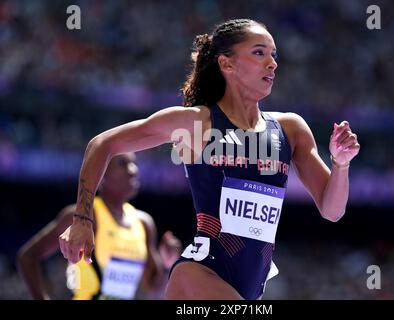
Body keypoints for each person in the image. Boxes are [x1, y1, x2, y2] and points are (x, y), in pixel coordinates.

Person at [58, 18, 360, 300]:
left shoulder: (290, 129)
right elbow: (102, 144)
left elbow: (332, 210)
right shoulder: (196, 123)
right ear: (226, 63)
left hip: (251, 287)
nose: (272, 63)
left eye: (274, 54)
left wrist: (341, 164)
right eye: (259, 53)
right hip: (199, 274)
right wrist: (82, 219)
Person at [17, 153, 182, 300]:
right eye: (122, 164)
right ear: (101, 175)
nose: (133, 170)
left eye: (134, 163)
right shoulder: (84, 217)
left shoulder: (144, 223)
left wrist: (168, 264)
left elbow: (154, 290)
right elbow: (28, 257)